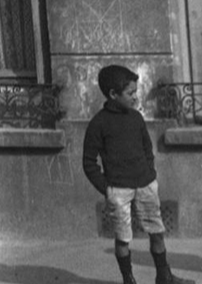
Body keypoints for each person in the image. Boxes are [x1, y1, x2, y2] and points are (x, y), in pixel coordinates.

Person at [83, 65, 195, 284]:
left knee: (157, 231)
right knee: (123, 238)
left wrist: (150, 173)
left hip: (145, 185)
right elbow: (89, 163)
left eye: (136, 92)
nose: (135, 97)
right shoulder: (98, 124)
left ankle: (164, 276)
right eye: (130, 93)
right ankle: (128, 279)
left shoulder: (136, 118)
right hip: (118, 190)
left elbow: (147, 148)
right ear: (113, 95)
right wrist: (107, 188)